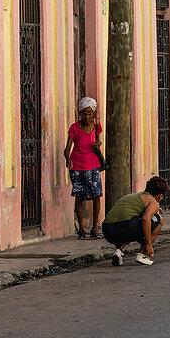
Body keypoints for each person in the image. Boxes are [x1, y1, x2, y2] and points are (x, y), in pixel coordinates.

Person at [102, 176, 170, 267]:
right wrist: (148, 244)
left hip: (107, 231)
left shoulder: (133, 196)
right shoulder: (153, 202)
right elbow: (146, 219)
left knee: (127, 226)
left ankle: (118, 252)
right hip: (126, 227)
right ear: (160, 195)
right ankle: (142, 255)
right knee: (158, 219)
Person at [64, 96, 104, 238]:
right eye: (84, 114)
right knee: (79, 197)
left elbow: (98, 141)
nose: (87, 117)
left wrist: (98, 144)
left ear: (93, 113)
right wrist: (68, 160)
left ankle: (94, 228)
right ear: (80, 114)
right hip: (78, 167)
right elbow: (67, 149)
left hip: (93, 166)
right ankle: (81, 229)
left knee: (96, 195)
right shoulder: (74, 128)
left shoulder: (97, 126)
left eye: (89, 114)